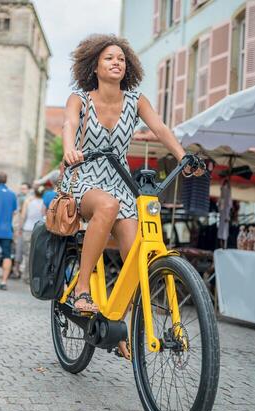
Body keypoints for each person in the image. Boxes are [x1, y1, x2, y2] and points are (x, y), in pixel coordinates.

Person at [61, 34, 205, 359]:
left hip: (122, 180)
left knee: (136, 256)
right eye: (110, 58)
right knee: (107, 206)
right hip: (86, 177)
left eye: (121, 59)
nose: (117, 62)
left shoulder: (136, 100)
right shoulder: (80, 99)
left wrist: (184, 157)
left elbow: (161, 128)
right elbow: (69, 124)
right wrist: (70, 149)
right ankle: (82, 288)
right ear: (95, 65)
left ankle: (118, 323)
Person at [19, 184, 45, 283]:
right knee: (37, 254)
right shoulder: (44, 203)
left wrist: (20, 228)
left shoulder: (28, 201)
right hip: (39, 230)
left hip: (28, 229)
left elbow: (23, 216)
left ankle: (26, 276)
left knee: (27, 254)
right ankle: (34, 277)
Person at [13, 182, 32, 277]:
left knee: (23, 249)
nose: (22, 190)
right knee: (18, 248)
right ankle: (16, 269)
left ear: (28, 189)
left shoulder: (29, 199)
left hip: (25, 227)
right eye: (21, 189)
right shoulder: (20, 198)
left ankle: (20, 270)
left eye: (24, 188)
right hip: (20, 226)